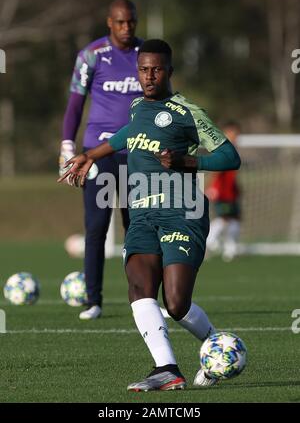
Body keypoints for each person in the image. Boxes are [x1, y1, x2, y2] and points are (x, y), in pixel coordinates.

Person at [58, 39, 241, 391]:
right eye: (143, 69)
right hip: (142, 215)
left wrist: (189, 161)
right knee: (139, 286)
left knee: (175, 303)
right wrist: (91, 154)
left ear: (169, 72)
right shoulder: (138, 107)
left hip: (182, 213)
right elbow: (130, 134)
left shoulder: (188, 112)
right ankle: (166, 368)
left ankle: (217, 346)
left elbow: (230, 157)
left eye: (157, 69)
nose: (149, 76)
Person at [59, 0, 143, 320]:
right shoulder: (91, 55)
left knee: (140, 229)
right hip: (99, 154)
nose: (126, 28)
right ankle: (93, 301)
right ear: (110, 22)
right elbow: (75, 104)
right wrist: (68, 144)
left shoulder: (146, 55)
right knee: (96, 228)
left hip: (139, 154)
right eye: (120, 23)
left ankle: (144, 298)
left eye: (131, 22)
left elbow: (163, 100)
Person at [205, 121, 241, 261]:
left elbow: (232, 174)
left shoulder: (234, 148)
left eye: (237, 134)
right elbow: (217, 171)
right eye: (232, 133)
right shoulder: (223, 149)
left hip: (231, 192)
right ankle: (209, 240)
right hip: (222, 192)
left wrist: (238, 188)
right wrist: (212, 187)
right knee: (224, 218)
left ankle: (230, 250)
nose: (235, 136)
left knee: (235, 220)